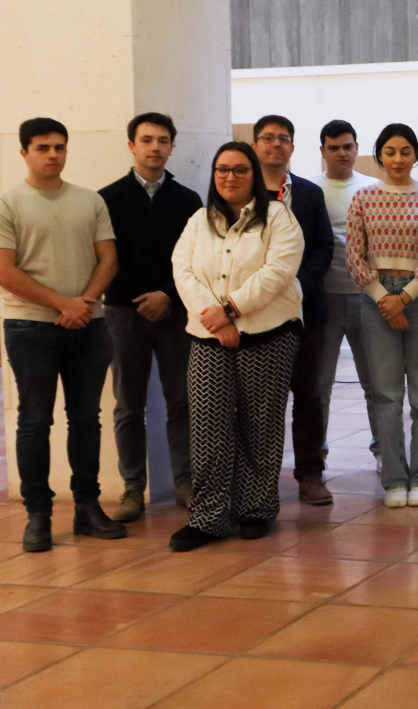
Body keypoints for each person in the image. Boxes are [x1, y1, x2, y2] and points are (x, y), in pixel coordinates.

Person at [0, 118, 126, 552]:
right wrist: (63, 303)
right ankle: (38, 516)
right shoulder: (4, 205)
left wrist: (84, 302)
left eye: (60, 147)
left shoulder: (89, 201)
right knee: (34, 421)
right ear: (24, 153)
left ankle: (88, 507)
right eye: (43, 147)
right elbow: (2, 270)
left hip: (88, 325)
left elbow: (108, 260)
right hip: (30, 327)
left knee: (86, 419)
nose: (53, 155)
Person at [168, 141, 304, 551]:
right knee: (208, 425)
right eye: (222, 170)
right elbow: (182, 270)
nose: (230, 177)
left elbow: (278, 271)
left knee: (259, 425)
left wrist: (231, 310)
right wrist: (215, 318)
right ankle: (209, 517)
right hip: (208, 334)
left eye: (240, 170)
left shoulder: (278, 217)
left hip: (269, 332)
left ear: (254, 176)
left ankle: (255, 509)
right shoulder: (199, 220)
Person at [100, 112, 203, 522]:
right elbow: (105, 259)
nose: (155, 147)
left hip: (176, 313)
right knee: (128, 404)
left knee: (183, 401)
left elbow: (195, 260)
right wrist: (141, 298)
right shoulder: (107, 199)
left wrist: (167, 295)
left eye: (162, 140)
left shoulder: (188, 200)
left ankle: (185, 482)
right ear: (132, 146)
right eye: (146, 140)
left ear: (172, 147)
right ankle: (131, 488)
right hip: (123, 313)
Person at [346, 124, 418, 509]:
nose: (398, 159)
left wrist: (404, 297)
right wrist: (383, 298)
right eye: (390, 151)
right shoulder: (363, 198)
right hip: (376, 302)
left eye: (406, 151)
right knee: (387, 396)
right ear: (379, 156)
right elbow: (354, 255)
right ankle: (393, 480)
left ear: (416, 155)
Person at [251, 114, 337, 506]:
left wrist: (297, 286)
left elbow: (324, 247)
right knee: (260, 401)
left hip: (304, 309)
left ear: (292, 147)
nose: (276, 144)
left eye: (283, 138)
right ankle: (260, 478)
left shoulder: (309, 193)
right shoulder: (240, 191)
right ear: (255, 145)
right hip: (254, 310)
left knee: (308, 394)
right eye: (268, 138)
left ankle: (310, 474)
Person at [312, 121, 379, 470]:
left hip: (367, 298)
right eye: (334, 147)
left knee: (376, 383)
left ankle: (384, 451)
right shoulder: (310, 190)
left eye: (348, 146)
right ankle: (316, 456)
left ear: (357, 148)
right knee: (320, 385)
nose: (342, 153)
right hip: (324, 300)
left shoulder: (372, 189)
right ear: (322, 151)